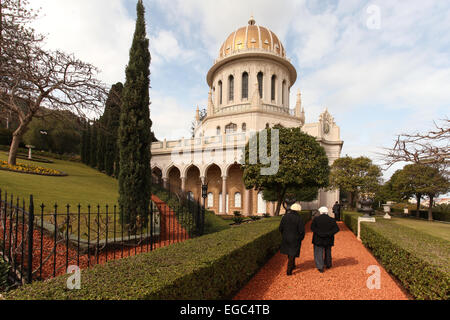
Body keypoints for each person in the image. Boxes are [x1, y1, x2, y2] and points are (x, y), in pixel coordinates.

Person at [279, 203, 305, 276]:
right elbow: (301, 230)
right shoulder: (299, 218)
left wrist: (284, 235)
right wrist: (301, 238)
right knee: (293, 252)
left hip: (286, 237)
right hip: (295, 238)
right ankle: (289, 270)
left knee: (289, 251)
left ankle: (292, 265)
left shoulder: (285, 217)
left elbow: (280, 228)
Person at [311, 206, 340, 273]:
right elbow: (336, 229)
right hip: (328, 238)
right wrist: (328, 233)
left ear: (320, 212)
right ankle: (328, 264)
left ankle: (320, 266)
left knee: (318, 252)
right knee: (328, 251)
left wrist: (319, 233)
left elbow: (312, 228)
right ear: (327, 212)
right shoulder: (332, 219)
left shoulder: (316, 219)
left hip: (318, 238)